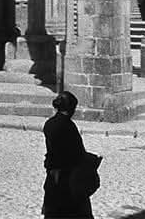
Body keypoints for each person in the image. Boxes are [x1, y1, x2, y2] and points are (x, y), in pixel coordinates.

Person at [42, 90, 93, 218]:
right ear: (70, 108)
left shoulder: (49, 124)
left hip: (53, 175)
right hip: (68, 178)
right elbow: (76, 152)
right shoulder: (68, 126)